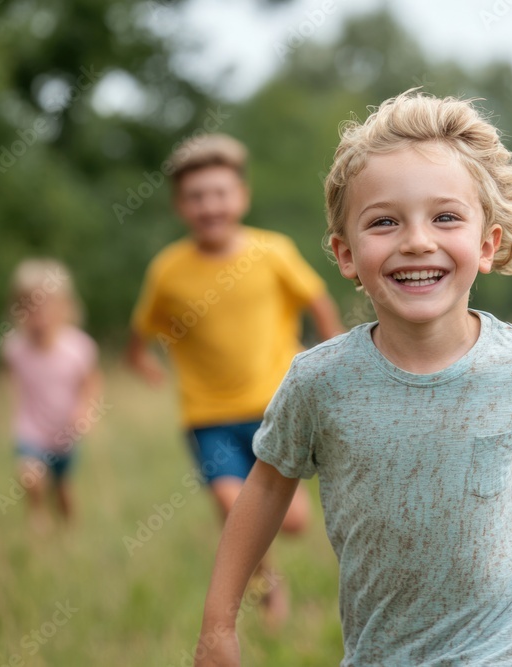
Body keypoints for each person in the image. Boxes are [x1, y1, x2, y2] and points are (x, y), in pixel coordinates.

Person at [194, 91, 512, 667]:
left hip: (507, 646)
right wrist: (218, 624)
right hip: (380, 653)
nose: (417, 240)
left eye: (445, 217)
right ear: (346, 254)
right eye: (384, 222)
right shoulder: (320, 382)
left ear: (486, 245)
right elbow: (264, 488)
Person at [125, 133, 343, 623]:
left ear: (241, 196)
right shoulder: (167, 271)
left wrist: (334, 355)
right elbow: (140, 333)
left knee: (291, 523)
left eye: (220, 193)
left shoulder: (273, 252)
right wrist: (141, 363)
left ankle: (273, 561)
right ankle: (268, 584)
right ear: (181, 206)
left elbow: (318, 302)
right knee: (233, 502)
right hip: (208, 417)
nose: (210, 205)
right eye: (196, 196)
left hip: (276, 408)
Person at [2, 258, 102, 532]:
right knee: (30, 476)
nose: (38, 315)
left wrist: (85, 411)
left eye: (45, 306)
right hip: (31, 430)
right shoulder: (14, 348)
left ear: (65, 307)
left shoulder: (78, 347)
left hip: (65, 433)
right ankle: (37, 515)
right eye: (29, 307)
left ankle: (69, 532)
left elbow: (91, 384)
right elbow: (13, 380)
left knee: (63, 490)